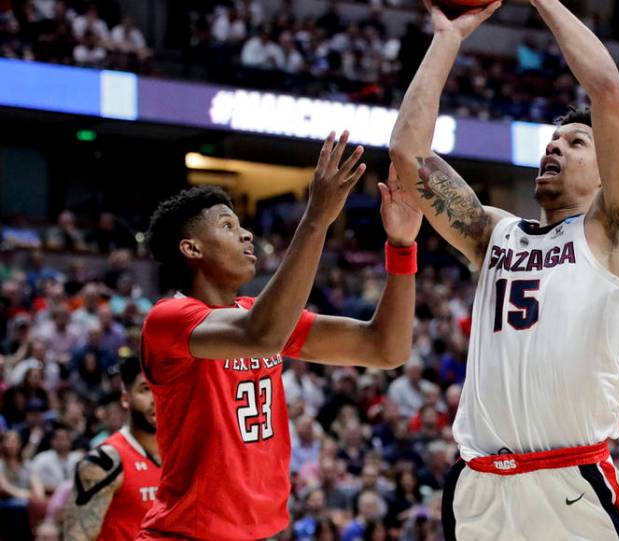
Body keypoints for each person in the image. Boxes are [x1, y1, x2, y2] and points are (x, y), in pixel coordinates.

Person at [390, 0, 619, 540]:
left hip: (567, 483)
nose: (555, 145)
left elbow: (609, 94)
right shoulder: (495, 234)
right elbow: (408, 157)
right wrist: (447, 40)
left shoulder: (617, 232)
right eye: (552, 142)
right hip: (479, 484)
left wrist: (546, 1)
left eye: (575, 143)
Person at [136, 132, 421, 540]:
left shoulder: (257, 314)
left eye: (242, 225)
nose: (246, 234)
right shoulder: (168, 320)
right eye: (227, 226)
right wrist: (317, 218)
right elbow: (263, 335)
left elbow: (385, 347)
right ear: (192, 249)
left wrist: (401, 246)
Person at [63, 357, 160, 540]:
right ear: (125, 398)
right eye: (145, 390)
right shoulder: (104, 461)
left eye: (162, 389)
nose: (156, 399)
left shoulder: (183, 456)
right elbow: (76, 536)